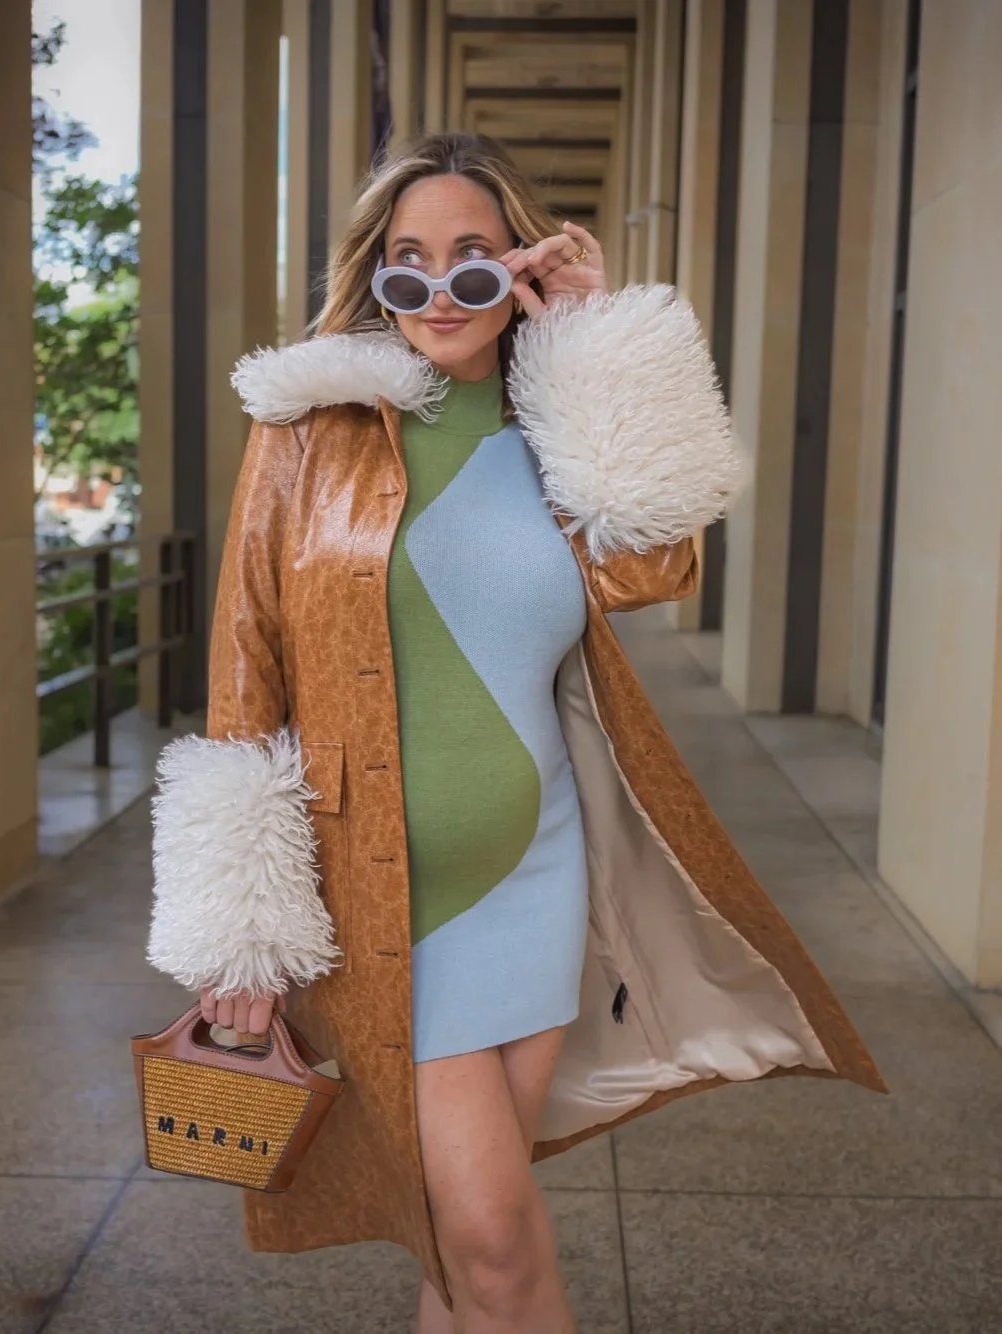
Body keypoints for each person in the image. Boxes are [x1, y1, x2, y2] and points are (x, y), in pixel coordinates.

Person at [147, 132, 884, 1334]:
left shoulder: (557, 431)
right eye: (407, 264)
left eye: (474, 262)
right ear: (374, 277)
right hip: (374, 900)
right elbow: (247, 664)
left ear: (518, 270)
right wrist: (237, 932)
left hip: (534, 877)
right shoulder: (307, 430)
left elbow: (655, 566)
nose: (440, 291)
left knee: (462, 1246)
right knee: (485, 1231)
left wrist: (596, 350)